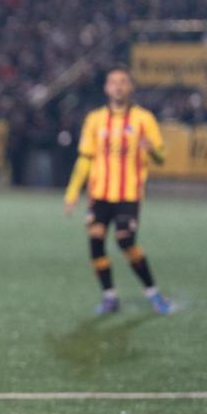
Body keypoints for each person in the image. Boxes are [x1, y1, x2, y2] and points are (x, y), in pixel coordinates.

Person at [64, 66, 171, 315]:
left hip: (128, 194)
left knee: (125, 241)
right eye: (113, 82)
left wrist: (152, 150)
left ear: (130, 87)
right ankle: (110, 297)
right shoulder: (95, 120)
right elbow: (84, 159)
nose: (118, 86)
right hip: (99, 193)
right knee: (96, 240)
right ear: (106, 88)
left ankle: (153, 292)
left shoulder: (144, 119)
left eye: (123, 82)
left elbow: (162, 156)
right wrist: (71, 193)